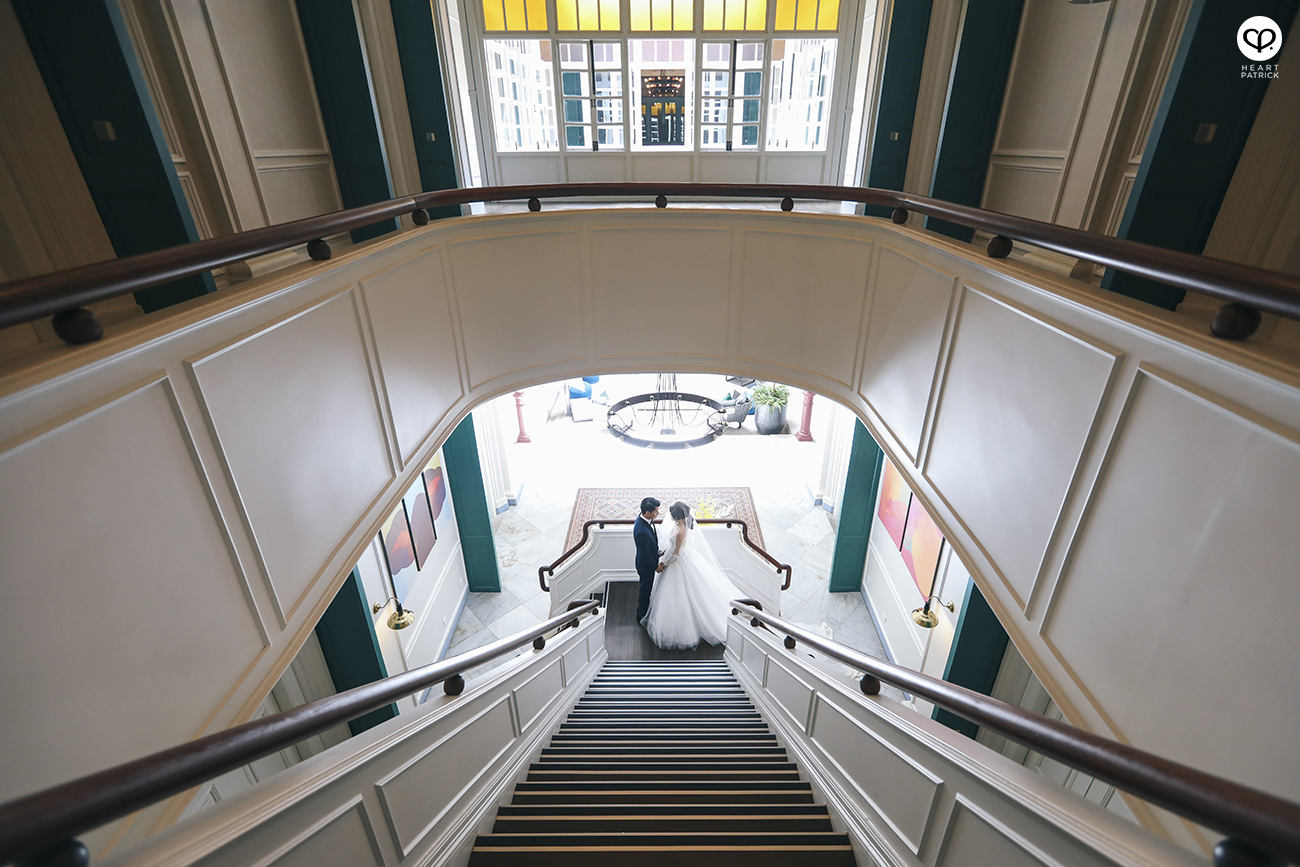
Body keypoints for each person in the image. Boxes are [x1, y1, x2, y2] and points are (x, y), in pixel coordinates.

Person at [641, 501, 743, 649]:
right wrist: (663, 553)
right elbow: (673, 547)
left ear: (676, 516)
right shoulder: (679, 526)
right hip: (677, 558)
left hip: (678, 563)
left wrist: (664, 564)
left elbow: (676, 554)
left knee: (681, 594)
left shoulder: (680, 531)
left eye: (671, 514)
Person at [633, 496, 663, 623]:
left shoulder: (644, 519)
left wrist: (657, 553)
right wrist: (656, 567)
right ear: (647, 513)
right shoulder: (642, 532)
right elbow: (645, 553)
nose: (658, 513)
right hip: (645, 565)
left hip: (648, 559)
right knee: (645, 590)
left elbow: (649, 544)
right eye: (656, 511)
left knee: (647, 588)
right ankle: (642, 614)